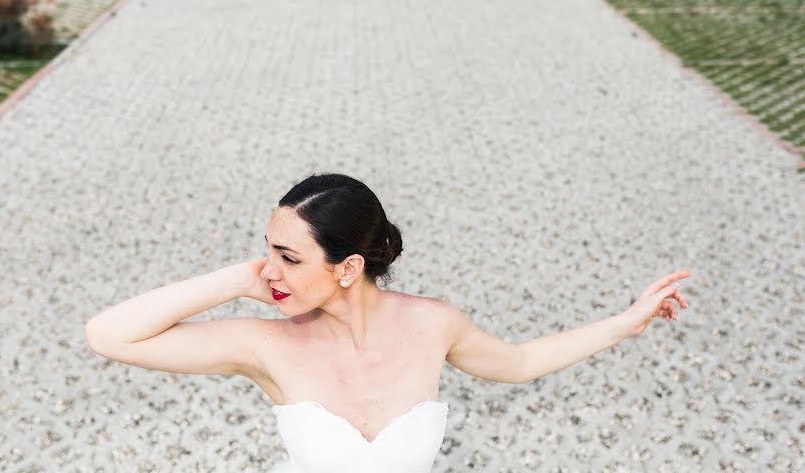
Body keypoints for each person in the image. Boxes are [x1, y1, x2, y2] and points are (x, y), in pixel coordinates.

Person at [84, 172, 690, 473]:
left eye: (290, 258)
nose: (273, 270)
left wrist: (626, 322)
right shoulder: (264, 344)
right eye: (268, 249)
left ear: (349, 266)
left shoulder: (433, 326)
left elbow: (521, 363)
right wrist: (241, 278)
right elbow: (108, 335)